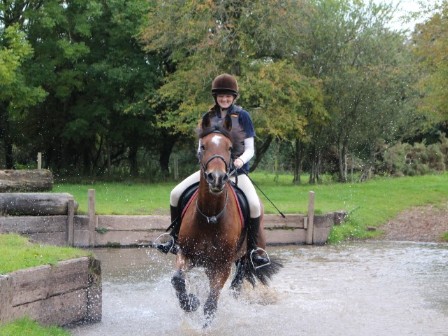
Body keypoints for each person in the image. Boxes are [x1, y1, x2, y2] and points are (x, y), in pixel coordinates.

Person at [156, 73, 269, 267]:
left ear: (234, 97)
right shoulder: (208, 117)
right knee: (175, 193)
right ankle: (173, 238)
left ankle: (253, 250)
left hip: (236, 172)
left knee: (254, 205)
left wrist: (240, 161)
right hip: (209, 171)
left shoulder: (243, 116)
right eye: (220, 96)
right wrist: (204, 159)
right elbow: (200, 147)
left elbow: (250, 149)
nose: (224, 99)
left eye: (228, 96)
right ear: (215, 97)